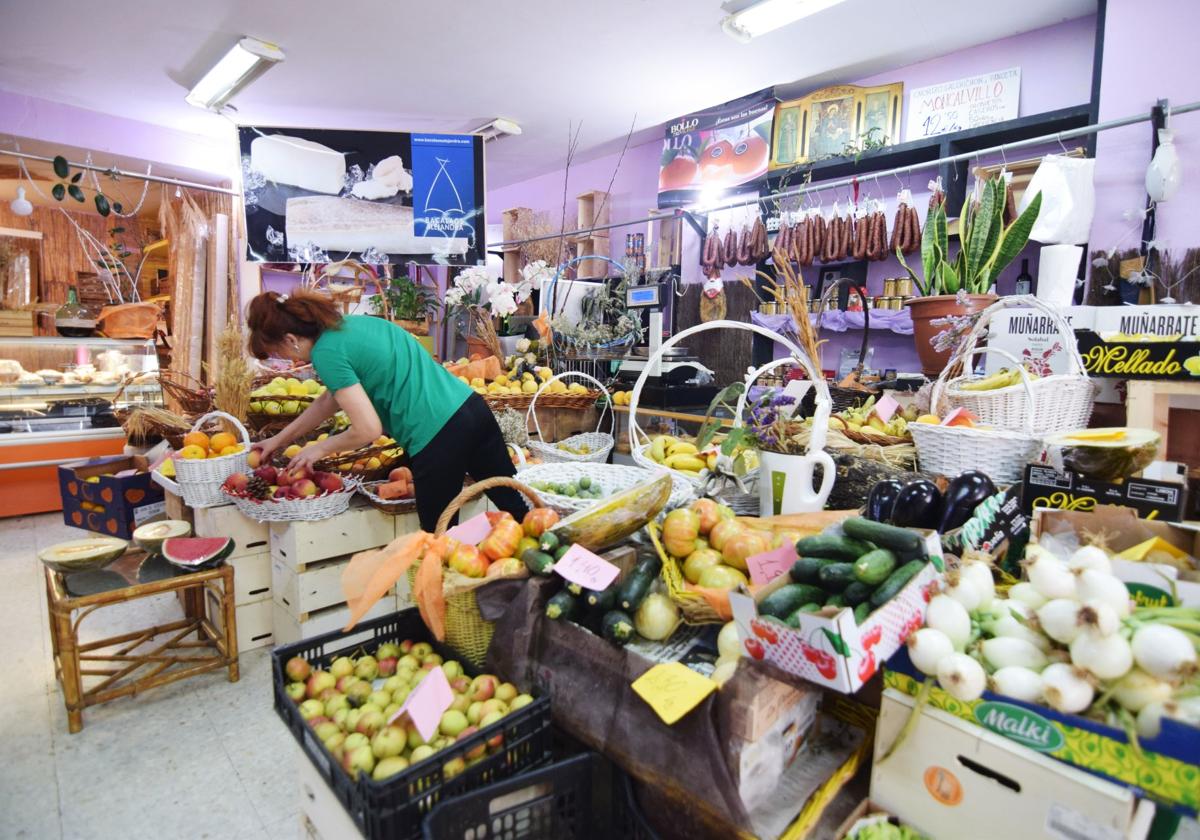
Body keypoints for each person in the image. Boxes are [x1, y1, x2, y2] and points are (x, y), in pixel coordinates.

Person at [245, 290, 528, 531]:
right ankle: (554, 575)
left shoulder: (325, 352)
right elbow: (328, 401)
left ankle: (451, 594)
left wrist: (319, 449)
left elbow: (368, 430)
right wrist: (279, 440)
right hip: (472, 410)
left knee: (440, 537)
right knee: (517, 507)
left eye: (280, 354)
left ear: (291, 339)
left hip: (436, 436)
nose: (287, 360)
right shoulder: (349, 327)